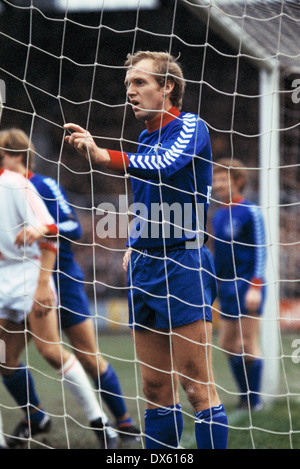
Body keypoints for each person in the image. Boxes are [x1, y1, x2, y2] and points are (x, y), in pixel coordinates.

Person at [64, 50, 228, 449]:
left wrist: (104, 156)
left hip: (183, 263)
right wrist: (134, 242)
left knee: (196, 388)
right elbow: (146, 202)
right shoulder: (143, 138)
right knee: (155, 388)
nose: (130, 92)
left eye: (140, 83)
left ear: (167, 86)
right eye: (128, 86)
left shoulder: (191, 126)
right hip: (145, 265)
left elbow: (165, 163)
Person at [0, 128, 140, 447]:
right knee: (6, 355)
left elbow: (73, 226)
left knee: (86, 356)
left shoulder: (42, 185)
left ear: (19, 155)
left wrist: (42, 228)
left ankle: (123, 423)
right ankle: (33, 415)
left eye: (3, 154)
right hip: (19, 282)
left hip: (61, 277)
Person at [212, 158, 266, 411]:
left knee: (247, 344)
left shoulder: (251, 212)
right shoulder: (218, 215)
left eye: (222, 180)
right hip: (226, 288)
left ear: (238, 182)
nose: (216, 185)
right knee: (227, 345)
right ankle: (245, 397)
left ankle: (253, 401)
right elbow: (219, 257)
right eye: (215, 180)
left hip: (248, 285)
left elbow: (261, 250)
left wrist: (256, 286)